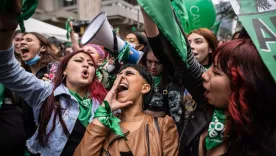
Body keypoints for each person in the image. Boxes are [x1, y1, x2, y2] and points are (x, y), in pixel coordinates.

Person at [141, 7, 276, 156]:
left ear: (244, 83)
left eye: (216, 72)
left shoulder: (265, 145)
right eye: (189, 41)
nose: (205, 75)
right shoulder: (207, 101)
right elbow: (175, 53)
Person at [0, 18, 107, 155]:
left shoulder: (102, 103)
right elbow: (8, 71)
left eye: (91, 64)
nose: (86, 65)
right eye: (79, 61)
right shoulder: (46, 91)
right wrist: (7, 28)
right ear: (64, 70)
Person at [74, 64, 179, 156]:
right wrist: (103, 111)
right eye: (118, 75)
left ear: (145, 88)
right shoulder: (103, 125)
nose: (121, 77)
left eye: (129, 73)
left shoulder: (163, 126)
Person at [141, 45, 184, 130]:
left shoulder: (170, 86)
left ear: (165, 63)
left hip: (158, 133)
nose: (153, 66)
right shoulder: (138, 79)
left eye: (158, 63)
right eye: (149, 61)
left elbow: (177, 120)